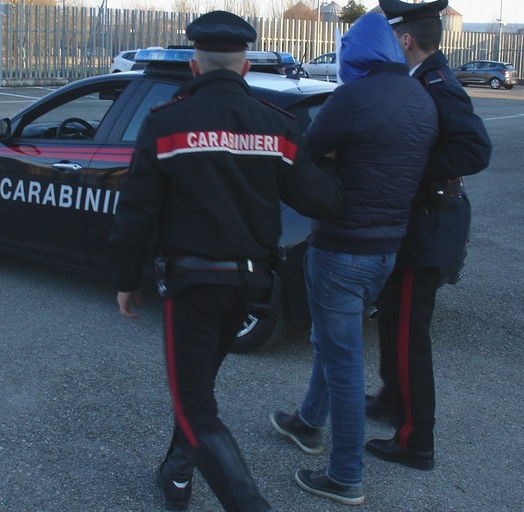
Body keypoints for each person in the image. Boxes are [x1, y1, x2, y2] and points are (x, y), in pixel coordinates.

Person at [109, 10, 343, 511]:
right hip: (249, 292)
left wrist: (127, 279)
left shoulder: (165, 122)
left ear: (194, 66)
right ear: (243, 68)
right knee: (199, 390)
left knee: (194, 406)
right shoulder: (276, 126)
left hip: (192, 288)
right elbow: (320, 200)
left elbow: (136, 210)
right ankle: (176, 475)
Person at [268, 12, 439, 506]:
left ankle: (345, 475)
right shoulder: (422, 99)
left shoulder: (352, 97)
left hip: (342, 247)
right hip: (387, 249)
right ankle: (307, 422)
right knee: (332, 340)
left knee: (343, 360)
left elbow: (307, 151)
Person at [366, 0, 493, 470]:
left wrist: (412, 171)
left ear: (404, 39)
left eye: (390, 35)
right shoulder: (420, 79)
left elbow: (475, 149)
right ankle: (391, 401)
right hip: (415, 225)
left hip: (429, 228)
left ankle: (415, 440)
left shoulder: (438, 83)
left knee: (407, 335)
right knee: (391, 321)